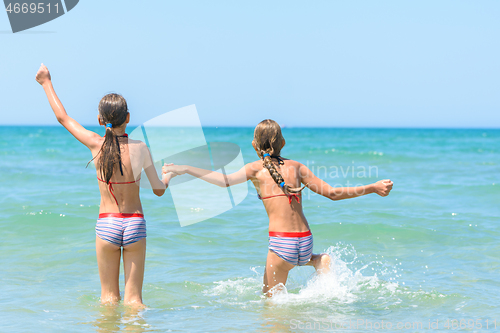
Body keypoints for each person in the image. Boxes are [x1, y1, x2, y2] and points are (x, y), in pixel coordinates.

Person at [162, 119, 393, 296]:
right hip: (305, 240)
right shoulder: (297, 167)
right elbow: (332, 193)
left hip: (282, 244)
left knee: (271, 307)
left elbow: (223, 180)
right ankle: (317, 260)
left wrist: (184, 168)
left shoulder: (255, 169)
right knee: (302, 266)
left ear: (254, 145)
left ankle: (315, 263)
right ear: (283, 143)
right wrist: (372, 187)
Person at [35, 64, 174, 306]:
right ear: (128, 118)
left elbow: (62, 118)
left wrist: (46, 82)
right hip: (135, 224)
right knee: (134, 301)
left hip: (107, 223)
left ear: (100, 120)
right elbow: (158, 190)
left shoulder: (95, 144)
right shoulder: (141, 148)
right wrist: (168, 177)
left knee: (108, 299)